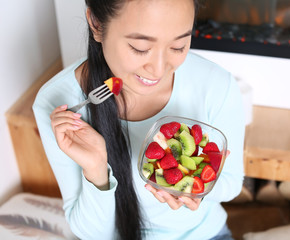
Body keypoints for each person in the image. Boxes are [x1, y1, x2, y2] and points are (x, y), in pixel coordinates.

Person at [33, 0, 245, 239]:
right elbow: (92, 233)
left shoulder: (215, 83)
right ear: (96, 24)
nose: (157, 70)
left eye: (178, 46)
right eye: (140, 48)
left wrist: (195, 188)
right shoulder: (59, 102)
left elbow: (231, 184)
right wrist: (96, 169)